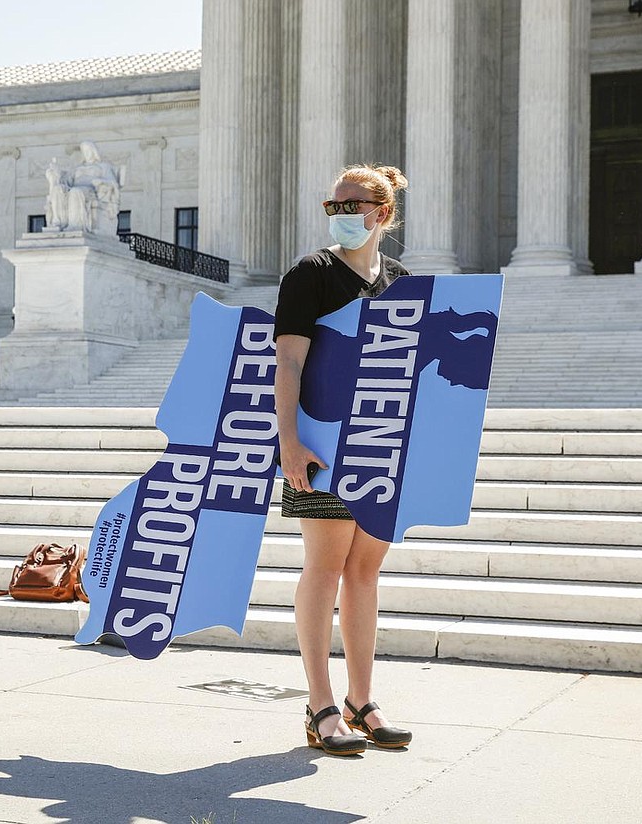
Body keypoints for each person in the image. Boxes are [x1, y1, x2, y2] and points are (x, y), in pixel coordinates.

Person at [274, 164, 414, 757]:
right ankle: (320, 704)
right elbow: (288, 363)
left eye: (352, 205)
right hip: (322, 443)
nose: (341, 215)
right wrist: (288, 441)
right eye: (334, 206)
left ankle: (362, 699)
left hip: (379, 442)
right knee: (325, 566)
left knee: (364, 571)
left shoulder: (402, 282)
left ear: (382, 214)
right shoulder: (311, 273)